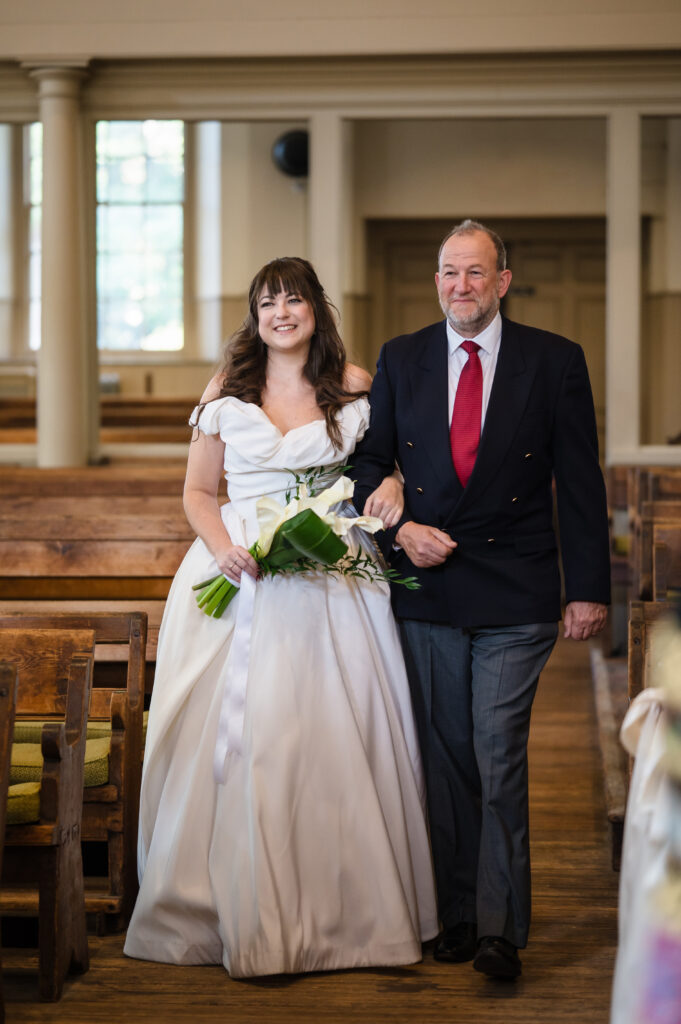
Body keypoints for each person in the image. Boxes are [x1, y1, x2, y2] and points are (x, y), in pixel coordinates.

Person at [123, 257, 438, 978]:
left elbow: (389, 462)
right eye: (268, 303)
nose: (280, 313)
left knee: (335, 731)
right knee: (248, 737)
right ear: (254, 315)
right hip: (241, 568)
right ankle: (226, 905)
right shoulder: (226, 389)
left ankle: (348, 913)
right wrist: (226, 548)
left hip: (334, 575)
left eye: (293, 300)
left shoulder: (357, 383)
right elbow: (199, 491)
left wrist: (388, 481)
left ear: (315, 310)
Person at [351, 219, 611, 980]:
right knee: (447, 761)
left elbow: (581, 482)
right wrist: (398, 530)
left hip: (517, 590)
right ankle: (457, 914)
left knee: (496, 756)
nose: (459, 286)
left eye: (474, 272)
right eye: (447, 272)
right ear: (435, 282)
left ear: (501, 281)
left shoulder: (555, 360)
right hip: (427, 587)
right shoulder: (400, 359)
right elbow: (367, 462)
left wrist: (586, 589)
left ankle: (501, 929)